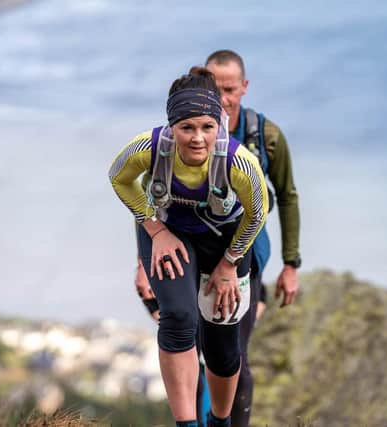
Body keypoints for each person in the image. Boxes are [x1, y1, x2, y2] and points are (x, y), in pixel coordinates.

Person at [136, 50, 302, 427]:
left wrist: (291, 264)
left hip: (245, 255)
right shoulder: (184, 133)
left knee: (230, 353)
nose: (223, 97)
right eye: (216, 87)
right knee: (184, 340)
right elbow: (151, 197)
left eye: (230, 89)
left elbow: (287, 196)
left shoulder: (265, 137)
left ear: (244, 88)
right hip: (185, 249)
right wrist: (143, 263)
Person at [109, 67, 269, 427]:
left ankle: (220, 421)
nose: (197, 138)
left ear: (220, 124)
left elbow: (257, 214)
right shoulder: (149, 148)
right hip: (169, 234)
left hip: (225, 243)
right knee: (179, 318)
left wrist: (229, 265)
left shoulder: (240, 163)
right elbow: (118, 178)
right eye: (187, 128)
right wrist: (154, 229)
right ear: (171, 127)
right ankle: (187, 424)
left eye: (207, 127)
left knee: (223, 348)